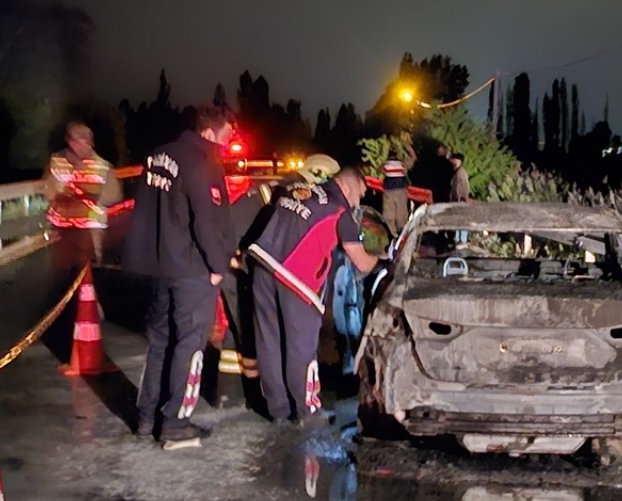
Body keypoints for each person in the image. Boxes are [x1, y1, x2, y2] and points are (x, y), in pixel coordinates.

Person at [124, 104, 235, 449]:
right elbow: (206, 220)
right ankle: (175, 422)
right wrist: (218, 267)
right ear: (209, 132)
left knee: (160, 342)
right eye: (225, 137)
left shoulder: (158, 156)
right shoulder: (202, 162)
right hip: (192, 270)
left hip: (160, 267)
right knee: (190, 345)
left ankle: (147, 417)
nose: (225, 146)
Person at [245, 166, 380, 426]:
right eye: (360, 195)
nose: (358, 202)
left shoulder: (298, 191)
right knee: (301, 348)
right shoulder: (341, 211)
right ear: (349, 187)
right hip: (297, 280)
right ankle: (307, 411)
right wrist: (382, 260)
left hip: (263, 265)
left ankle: (279, 410)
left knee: (269, 343)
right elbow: (362, 262)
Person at [43, 121, 120, 272]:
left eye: (82, 140)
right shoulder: (58, 162)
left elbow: (113, 195)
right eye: (74, 139)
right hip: (61, 231)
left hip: (89, 233)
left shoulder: (102, 167)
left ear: (90, 142)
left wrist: (89, 198)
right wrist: (60, 195)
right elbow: (49, 189)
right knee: (63, 275)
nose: (77, 144)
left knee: (86, 274)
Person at [380, 140, 416, 236]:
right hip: (400, 191)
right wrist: (408, 147)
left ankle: (390, 235)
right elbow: (413, 158)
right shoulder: (403, 165)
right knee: (401, 216)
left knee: (388, 216)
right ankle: (402, 236)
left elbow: (380, 170)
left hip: (388, 191)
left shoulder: (385, 165)